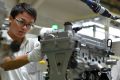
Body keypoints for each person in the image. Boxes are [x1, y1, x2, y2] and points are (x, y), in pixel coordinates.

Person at [0, 2, 45, 80]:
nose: (24, 27)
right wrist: (30, 56)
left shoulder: (33, 43)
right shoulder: (1, 42)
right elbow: (4, 63)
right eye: (21, 22)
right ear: (10, 18)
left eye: (29, 24)